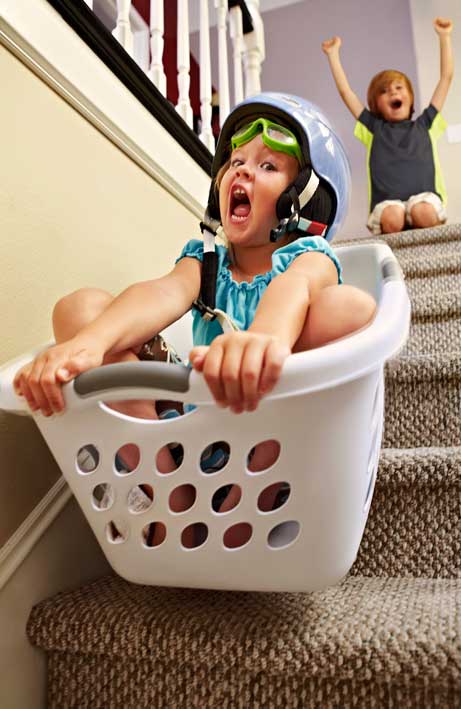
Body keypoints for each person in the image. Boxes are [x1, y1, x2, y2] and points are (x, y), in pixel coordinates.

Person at [13, 93, 376, 542]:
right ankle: (174, 504)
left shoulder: (310, 255)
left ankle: (244, 513)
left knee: (349, 308)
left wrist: (264, 341)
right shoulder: (206, 259)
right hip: (188, 430)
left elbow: (295, 288)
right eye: (236, 161)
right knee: (79, 310)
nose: (242, 170)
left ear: (304, 200)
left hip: (270, 438)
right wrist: (89, 343)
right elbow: (162, 293)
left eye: (267, 166)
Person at [322, 17, 454, 235]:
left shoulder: (425, 124)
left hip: (425, 199)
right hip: (388, 203)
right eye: (384, 91)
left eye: (399, 87)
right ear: (376, 106)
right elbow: (347, 93)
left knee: (424, 213)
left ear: (410, 98)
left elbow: (446, 78)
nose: (393, 92)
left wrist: (444, 37)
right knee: (393, 219)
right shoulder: (373, 129)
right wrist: (333, 55)